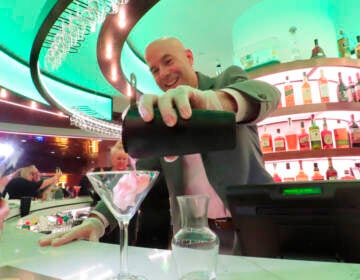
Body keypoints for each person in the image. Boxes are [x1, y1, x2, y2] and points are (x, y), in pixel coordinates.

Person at [39, 37, 280, 254]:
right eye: (155, 69)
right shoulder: (162, 119)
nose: (163, 73)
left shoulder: (225, 82)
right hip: (192, 239)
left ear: (188, 57)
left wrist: (214, 102)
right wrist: (97, 221)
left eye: (168, 61)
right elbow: (137, 180)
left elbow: (269, 94)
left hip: (252, 230)